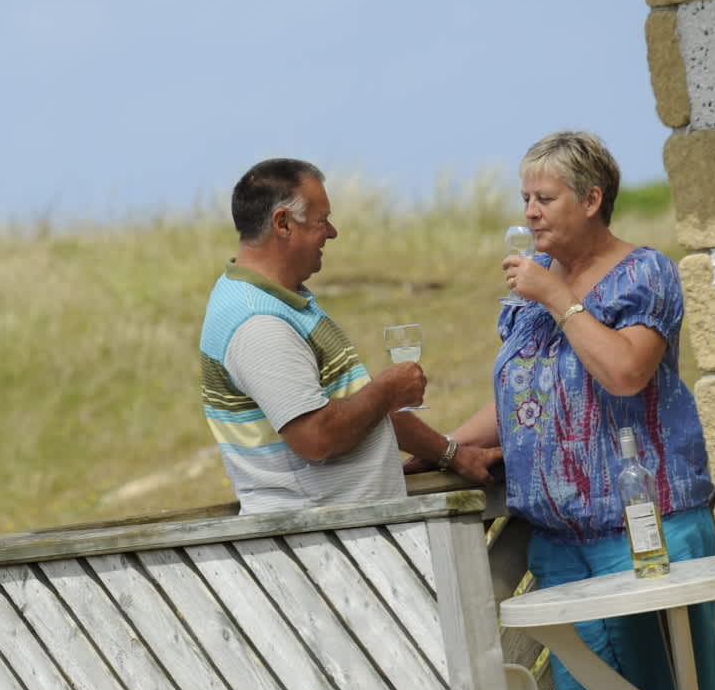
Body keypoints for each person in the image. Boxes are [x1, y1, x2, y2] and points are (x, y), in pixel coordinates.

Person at [445, 129, 715, 690]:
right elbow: (519, 401)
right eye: (525, 199)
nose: (530, 213)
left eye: (544, 198)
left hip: (644, 530)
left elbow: (626, 373)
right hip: (561, 543)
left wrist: (558, 299)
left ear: (592, 198)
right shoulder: (534, 292)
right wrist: (439, 448)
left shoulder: (643, 273)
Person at [199, 157, 501, 514]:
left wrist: (452, 455)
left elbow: (359, 409)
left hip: (343, 531)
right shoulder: (258, 322)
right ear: (283, 223)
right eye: (321, 220)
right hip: (324, 536)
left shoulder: (278, 302)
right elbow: (316, 437)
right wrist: (387, 390)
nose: (332, 233)